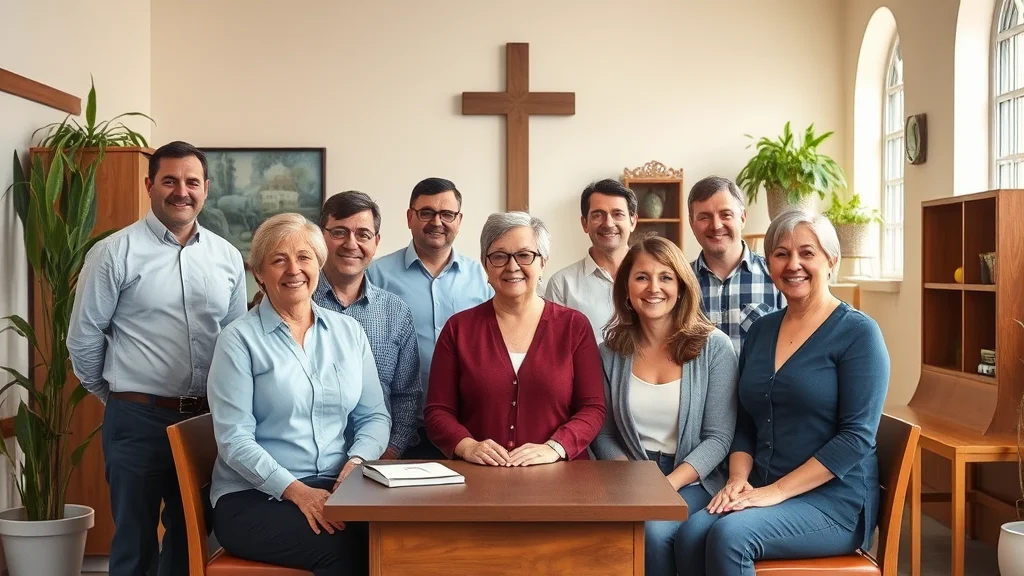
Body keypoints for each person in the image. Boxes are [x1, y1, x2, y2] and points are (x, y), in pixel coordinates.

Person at [675, 209, 890, 576]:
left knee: (731, 536)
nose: (794, 265)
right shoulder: (761, 330)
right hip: (761, 487)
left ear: (831, 260)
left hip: (833, 502)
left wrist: (776, 492)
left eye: (807, 253)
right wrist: (738, 479)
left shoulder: (859, 334)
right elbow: (746, 419)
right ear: (769, 262)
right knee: (692, 533)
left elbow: (856, 438)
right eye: (781, 253)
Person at [67, 141, 247, 576]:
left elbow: (236, 340)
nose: (180, 191)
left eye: (191, 182)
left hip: (204, 420)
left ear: (206, 188)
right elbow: (83, 339)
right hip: (137, 418)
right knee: (134, 541)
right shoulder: (114, 253)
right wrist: (119, 398)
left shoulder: (226, 257)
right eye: (169, 181)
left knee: (191, 539)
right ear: (150, 185)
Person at [208, 213, 390, 576]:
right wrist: (296, 491)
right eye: (279, 259)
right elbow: (234, 440)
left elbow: (374, 416)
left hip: (339, 487)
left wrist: (355, 463)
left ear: (319, 264)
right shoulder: (238, 340)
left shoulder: (348, 331)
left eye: (304, 257)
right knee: (345, 550)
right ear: (259, 272)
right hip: (253, 497)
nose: (294, 269)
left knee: (403, 540)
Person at [591, 236, 737, 576]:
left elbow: (718, 437)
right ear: (626, 288)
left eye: (665, 277)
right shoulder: (609, 352)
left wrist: (665, 486)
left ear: (682, 287)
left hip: (694, 477)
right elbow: (603, 433)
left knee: (653, 532)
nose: (653, 287)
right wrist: (633, 476)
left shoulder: (714, 347)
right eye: (642, 277)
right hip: (628, 473)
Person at [424, 212, 605, 466]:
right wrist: (467, 446)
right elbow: (437, 411)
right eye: (499, 256)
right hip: (479, 480)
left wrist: (555, 447)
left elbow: (593, 408)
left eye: (524, 255)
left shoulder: (574, 326)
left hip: (561, 478)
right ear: (484, 264)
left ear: (543, 262)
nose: (512, 266)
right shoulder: (458, 329)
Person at [366, 177, 492, 459]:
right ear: (410, 217)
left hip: (469, 432)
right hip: (396, 432)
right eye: (426, 213)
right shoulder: (376, 276)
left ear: (459, 221)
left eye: (447, 214)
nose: (437, 222)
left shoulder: (483, 279)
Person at [313, 191, 420, 459]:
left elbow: (406, 396)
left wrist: (389, 454)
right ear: (320, 237)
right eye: (339, 232)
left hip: (378, 461)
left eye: (363, 234)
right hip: (308, 467)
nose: (351, 244)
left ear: (376, 242)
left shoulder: (396, 313)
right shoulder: (297, 305)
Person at [687, 176, 784, 354]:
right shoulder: (680, 282)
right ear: (692, 223)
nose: (716, 226)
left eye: (726, 215)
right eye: (704, 217)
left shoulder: (776, 276)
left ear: (743, 217)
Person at [545, 179, 638, 340]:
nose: (608, 223)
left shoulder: (655, 279)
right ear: (584, 223)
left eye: (618, 214)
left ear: (633, 221)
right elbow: (553, 349)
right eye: (597, 215)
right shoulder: (562, 285)